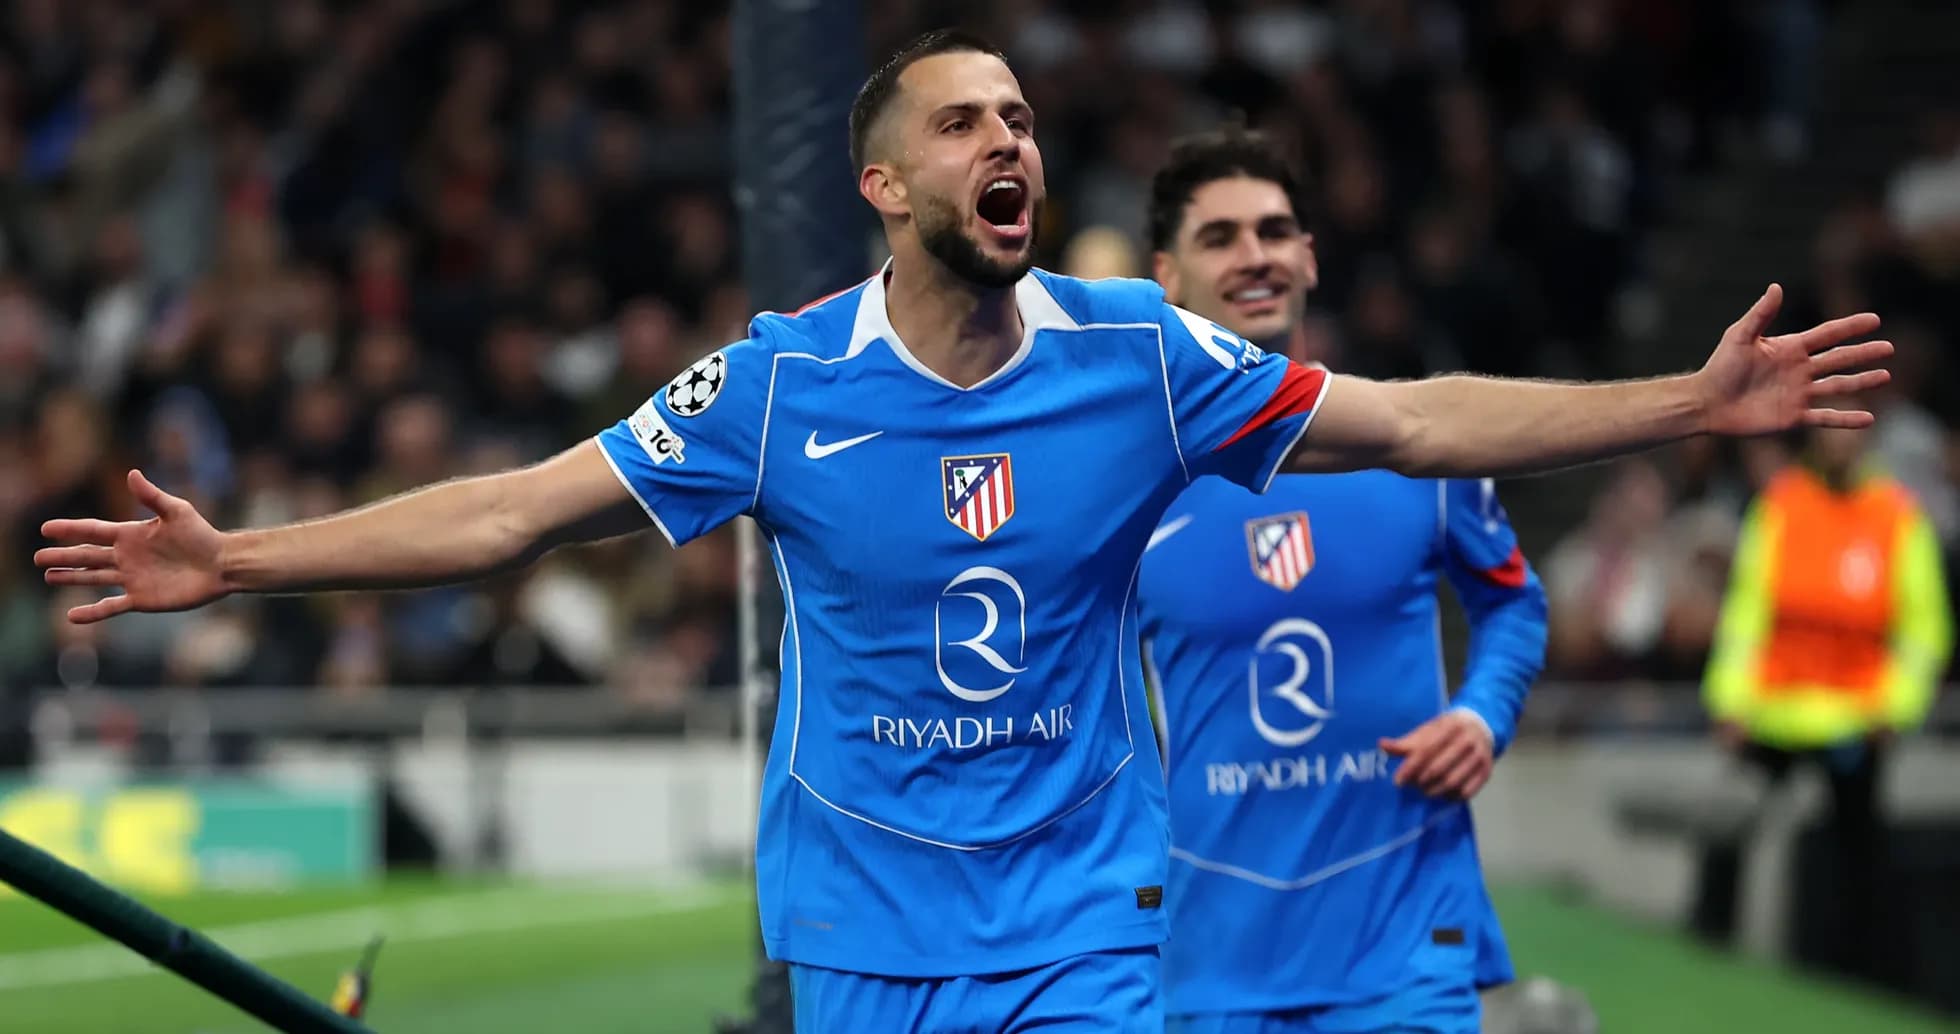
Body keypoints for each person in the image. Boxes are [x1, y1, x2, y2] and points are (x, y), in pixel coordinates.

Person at [35, 29, 1893, 1034]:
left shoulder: (1141, 356)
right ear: (882, 182)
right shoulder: (774, 385)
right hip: (860, 925)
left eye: (1020, 116)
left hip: (1084, 913)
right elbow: (514, 512)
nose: (1008, 140)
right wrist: (244, 558)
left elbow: (1410, 424)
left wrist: (1678, 403)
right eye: (961, 121)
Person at [1135, 126, 1545, 1034]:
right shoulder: (1132, 487)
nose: (1255, 257)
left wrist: (1482, 715)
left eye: (1275, 231)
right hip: (1210, 963)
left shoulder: (1415, 450)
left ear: (1310, 257)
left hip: (1408, 947)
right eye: (1220, 236)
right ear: (1166, 276)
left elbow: (1513, 601)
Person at [1694, 411, 1951, 981]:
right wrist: (1731, 702)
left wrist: (1896, 708)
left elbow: (1923, 630)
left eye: (1851, 430)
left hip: (1855, 722)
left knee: (1860, 865)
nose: (1839, 442)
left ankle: (1860, 982)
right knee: (1727, 834)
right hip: (1775, 715)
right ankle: (1704, 961)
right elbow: (1747, 615)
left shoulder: (1898, 517)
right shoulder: (1782, 506)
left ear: (1868, 437)